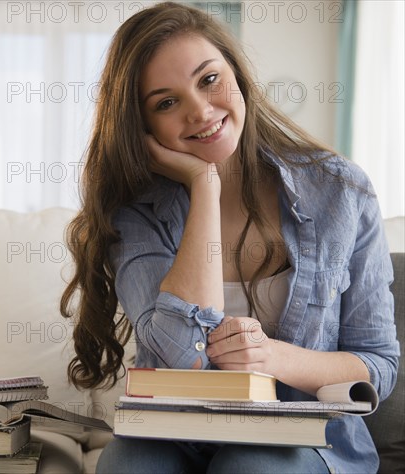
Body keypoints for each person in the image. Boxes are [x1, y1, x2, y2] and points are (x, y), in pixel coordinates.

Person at [60, 2, 399, 473]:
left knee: (250, 464)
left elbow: (377, 365)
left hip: (311, 440)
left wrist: (271, 356)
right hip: (173, 433)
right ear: (144, 127)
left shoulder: (341, 192)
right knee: (129, 465)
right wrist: (205, 185)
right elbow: (182, 356)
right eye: (166, 102)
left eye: (209, 79)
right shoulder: (135, 215)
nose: (200, 111)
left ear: (237, 74)